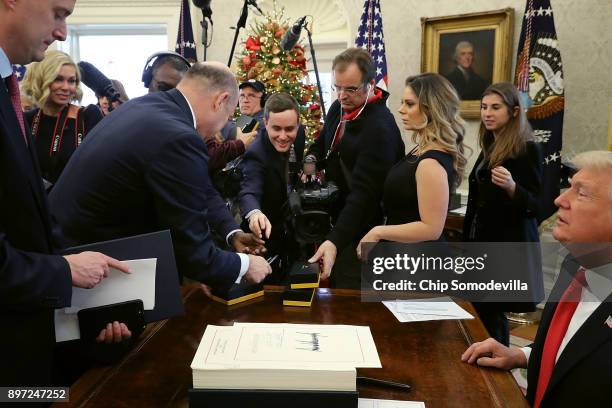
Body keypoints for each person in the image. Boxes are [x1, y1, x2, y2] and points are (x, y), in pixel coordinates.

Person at [49, 62, 272, 293]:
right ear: (220, 100)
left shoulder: (147, 106)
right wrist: (245, 265)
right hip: (86, 275)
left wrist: (231, 232)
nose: (225, 123)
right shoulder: (179, 136)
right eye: (228, 114)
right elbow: (194, 254)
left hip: (67, 253)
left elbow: (198, 186)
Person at [0, 0, 129, 387]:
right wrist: (62, 270)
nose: (61, 33)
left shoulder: (9, 93)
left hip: (29, 338)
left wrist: (75, 281)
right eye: (58, 13)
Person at [462, 150, 612, 408]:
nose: (559, 200)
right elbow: (575, 344)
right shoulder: (576, 263)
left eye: (582, 193)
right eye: (569, 187)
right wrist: (522, 354)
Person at [307, 47, 404, 287]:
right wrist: (309, 163)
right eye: (337, 87)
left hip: (363, 234)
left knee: (352, 301)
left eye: (351, 89)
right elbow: (321, 146)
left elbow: (364, 196)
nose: (342, 95)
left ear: (371, 85)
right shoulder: (338, 108)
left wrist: (335, 241)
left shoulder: (379, 128)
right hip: (338, 219)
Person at [463, 82, 544, 346]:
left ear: (514, 112)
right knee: (481, 310)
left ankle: (498, 369)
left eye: (495, 107)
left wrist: (512, 187)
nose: (487, 113)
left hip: (505, 246)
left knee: (491, 313)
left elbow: (536, 204)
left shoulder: (526, 148)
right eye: (484, 107)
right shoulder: (490, 145)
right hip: (481, 244)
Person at [356, 73, 467, 256]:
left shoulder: (430, 162)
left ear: (431, 109)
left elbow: (431, 229)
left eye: (409, 104)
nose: (400, 110)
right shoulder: (421, 150)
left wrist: (378, 232)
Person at [238, 93, 302, 282]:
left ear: (298, 125)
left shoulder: (299, 136)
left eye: (289, 129)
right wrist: (254, 213)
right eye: (276, 128)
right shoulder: (256, 153)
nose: (283, 136)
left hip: (291, 236)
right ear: (265, 122)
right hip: (263, 242)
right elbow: (248, 190)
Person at [21, 50, 103, 185]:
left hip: (76, 200)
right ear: (41, 79)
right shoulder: (26, 120)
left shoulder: (88, 116)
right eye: (58, 79)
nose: (66, 87)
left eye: (72, 81)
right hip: (36, 201)